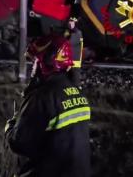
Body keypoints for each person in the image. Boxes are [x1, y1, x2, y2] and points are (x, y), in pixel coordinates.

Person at [5, 34, 91, 177]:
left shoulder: (42, 97)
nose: (33, 68)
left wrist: (12, 125)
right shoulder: (77, 93)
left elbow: (20, 143)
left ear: (46, 62)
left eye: (34, 62)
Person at [64, 16, 83, 87]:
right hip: (68, 59)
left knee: (75, 78)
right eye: (70, 21)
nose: (70, 23)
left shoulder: (78, 33)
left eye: (72, 22)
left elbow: (71, 42)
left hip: (75, 60)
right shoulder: (67, 32)